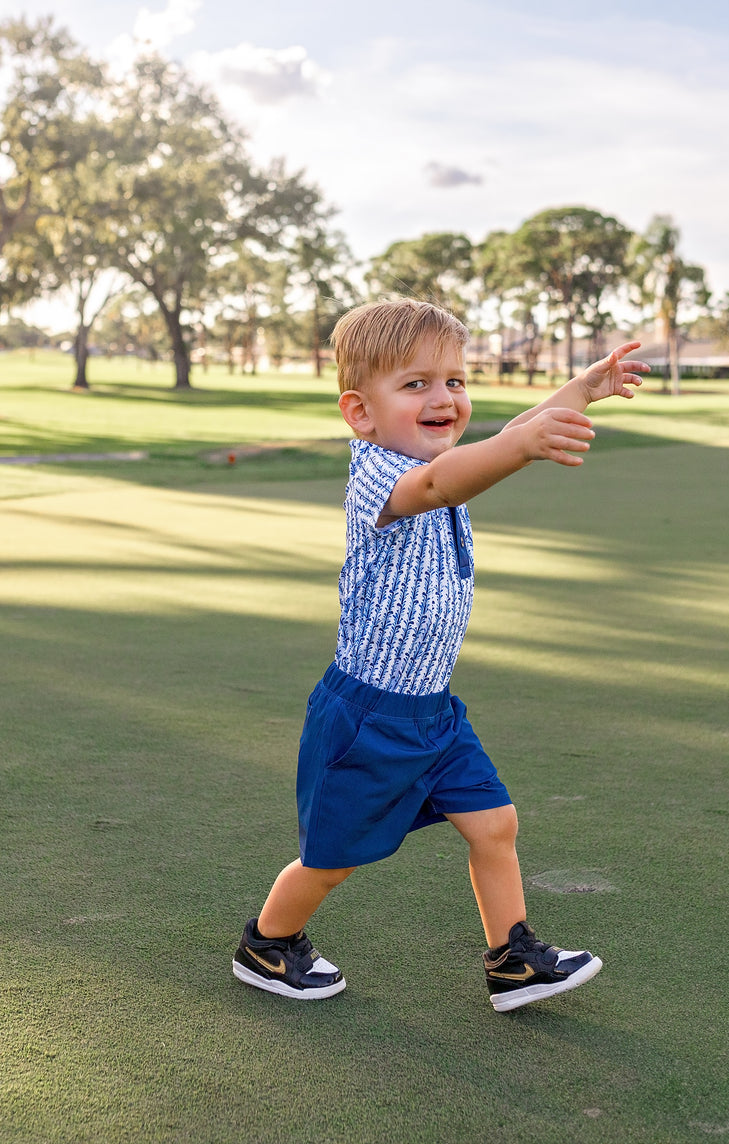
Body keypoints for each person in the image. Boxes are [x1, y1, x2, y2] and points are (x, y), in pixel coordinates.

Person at [233, 299, 649, 1013]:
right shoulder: (379, 475)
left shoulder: (439, 456)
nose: (444, 398)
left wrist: (581, 389)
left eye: (455, 381)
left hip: (434, 713)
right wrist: (520, 448)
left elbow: (505, 435)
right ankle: (267, 944)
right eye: (417, 384)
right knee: (331, 862)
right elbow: (440, 483)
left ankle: (512, 957)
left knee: (495, 823)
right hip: (368, 717)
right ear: (361, 412)